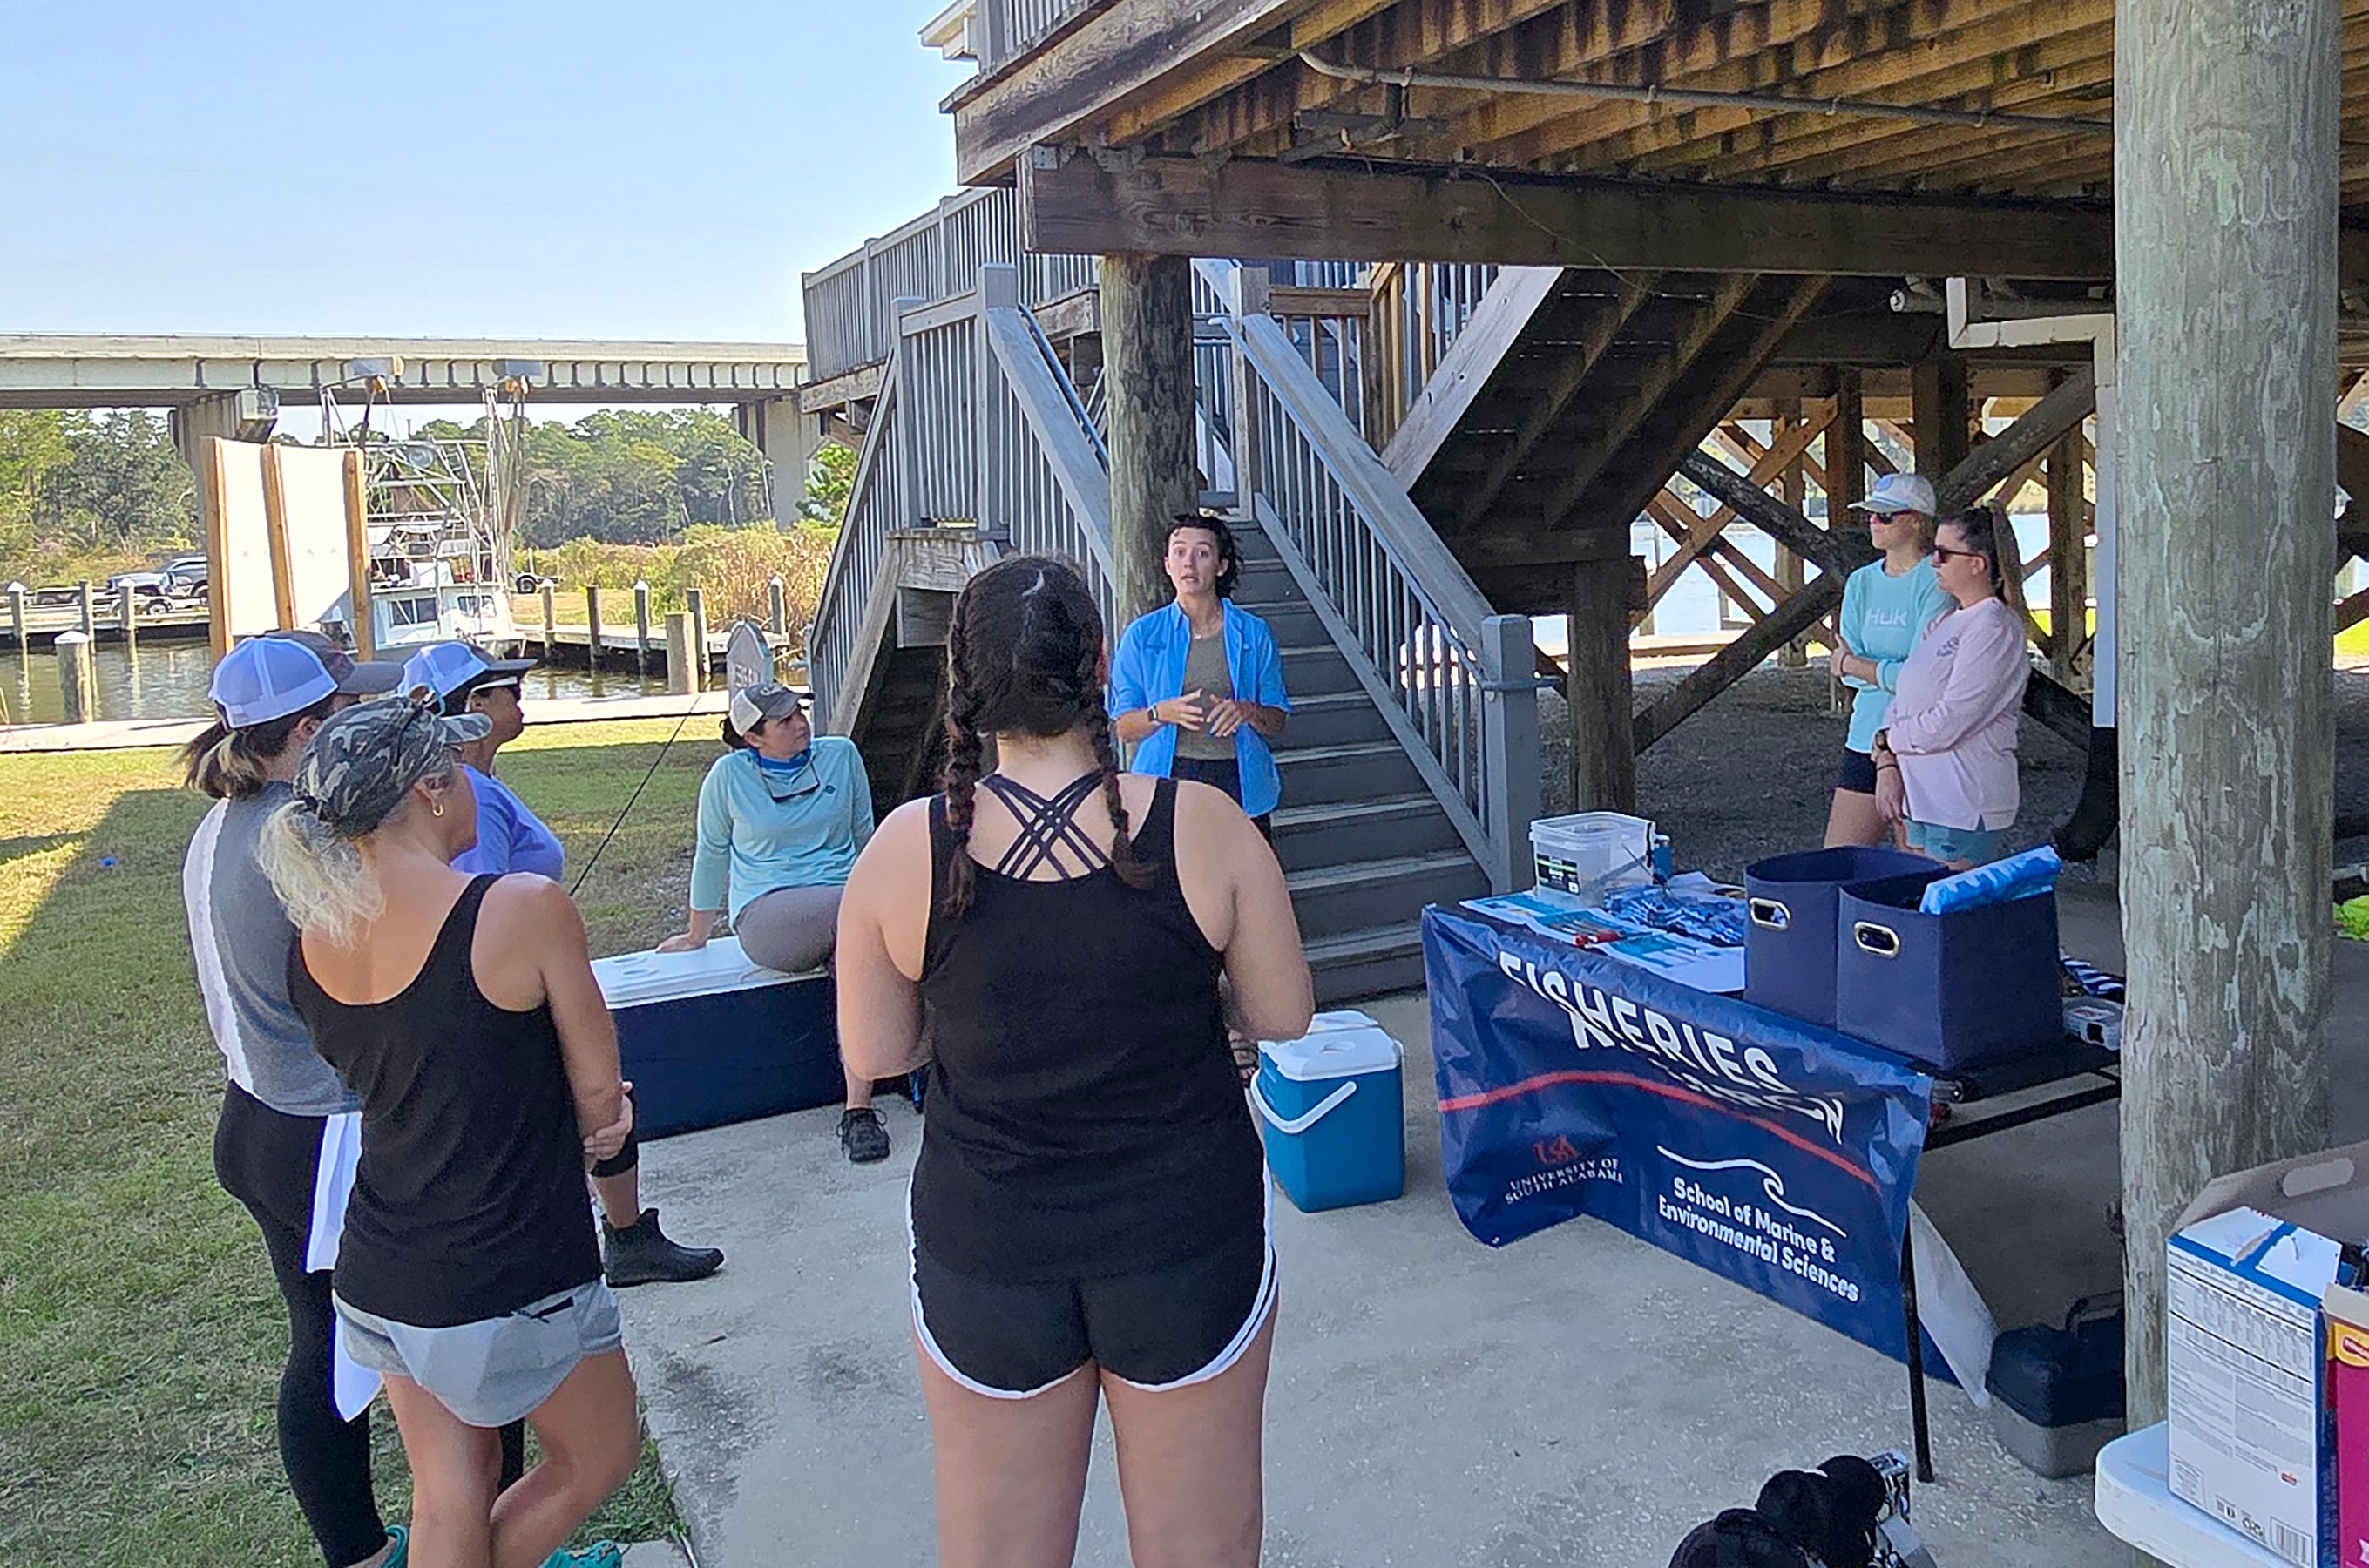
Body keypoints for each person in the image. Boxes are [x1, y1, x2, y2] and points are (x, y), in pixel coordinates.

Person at [836, 554, 1315, 1568]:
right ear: (1101, 664)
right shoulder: (1203, 826)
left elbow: (876, 1050)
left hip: (991, 1244)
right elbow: (1281, 1015)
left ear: (964, 683)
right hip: (1183, 1236)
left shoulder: (903, 848)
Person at [262, 695, 640, 1568]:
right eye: (461, 770)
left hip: (380, 1269)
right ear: (431, 789)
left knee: (447, 1498)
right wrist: (603, 1125)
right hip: (509, 1268)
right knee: (600, 1454)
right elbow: (599, 1094)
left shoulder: (315, 938)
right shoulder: (522, 906)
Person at [183, 632, 414, 1568]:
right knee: (440, 1342)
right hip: (325, 1134)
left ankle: (360, 1553)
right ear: (310, 730)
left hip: (256, 1119)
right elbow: (386, 980)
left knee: (321, 1343)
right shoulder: (302, 835)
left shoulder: (219, 825)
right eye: (345, 710)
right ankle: (482, 1543)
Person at [403, 640, 723, 1288]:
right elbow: (477, 906)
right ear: (474, 706)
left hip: (525, 980)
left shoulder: (479, 786)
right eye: (507, 690)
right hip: (515, 992)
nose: (520, 698)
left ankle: (626, 1235)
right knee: (592, 1102)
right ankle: (607, 1241)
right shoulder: (470, 797)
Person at [654, 680, 891, 1163]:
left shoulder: (841, 756)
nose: (801, 723)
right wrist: (697, 933)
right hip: (769, 912)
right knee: (860, 916)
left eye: (800, 712)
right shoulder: (728, 777)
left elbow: (863, 833)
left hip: (846, 905)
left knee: (856, 956)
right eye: (785, 721)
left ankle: (860, 1109)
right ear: (753, 737)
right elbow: (712, 854)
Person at [1110, 512, 1291, 837]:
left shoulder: (1254, 633)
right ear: (1167, 564)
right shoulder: (1142, 634)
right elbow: (1124, 727)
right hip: (1167, 775)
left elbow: (1278, 722)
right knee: (1168, 868)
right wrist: (1161, 713)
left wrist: (1247, 710)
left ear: (1221, 566)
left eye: (1202, 553)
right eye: (1179, 552)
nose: (1189, 563)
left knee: (1246, 867)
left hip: (1238, 776)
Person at [1872, 504, 2034, 868]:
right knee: (1919, 897)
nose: (1933, 562)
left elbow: (1954, 719)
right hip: (1921, 798)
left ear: (1977, 564)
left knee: (1948, 899)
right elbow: (1903, 700)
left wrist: (1888, 741)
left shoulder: (1994, 627)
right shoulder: (1944, 621)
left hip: (1963, 800)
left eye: (1944, 554)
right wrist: (1887, 763)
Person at [1825, 472, 1954, 849]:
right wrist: (1884, 671)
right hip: (1865, 733)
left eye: (1885, 516)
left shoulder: (1936, 581)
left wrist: (1855, 664)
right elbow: (1851, 674)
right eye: (1870, 514)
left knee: (1917, 861)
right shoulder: (1861, 581)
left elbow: (1921, 678)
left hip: (1918, 737)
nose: (1874, 522)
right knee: (1838, 861)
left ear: (1917, 521)